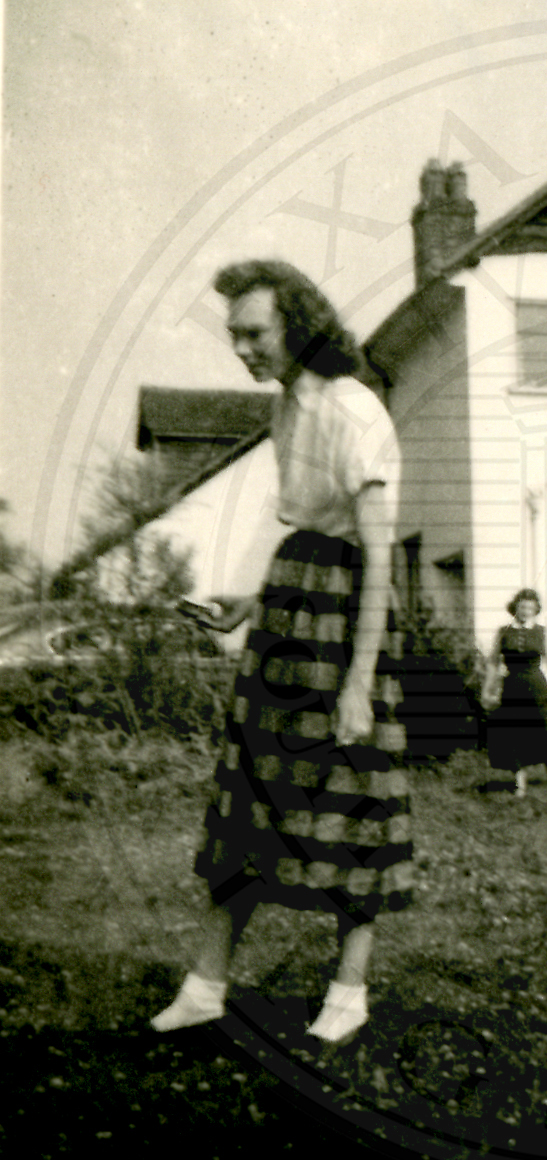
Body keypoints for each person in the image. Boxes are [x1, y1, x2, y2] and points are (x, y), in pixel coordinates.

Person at [151, 260, 411, 1043]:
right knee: (248, 800)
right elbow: (302, 524)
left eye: (254, 332)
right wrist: (248, 599)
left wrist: (358, 682)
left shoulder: (354, 408)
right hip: (289, 606)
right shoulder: (288, 408)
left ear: (296, 322)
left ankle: (349, 988)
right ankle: (206, 984)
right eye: (233, 335)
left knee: (351, 797)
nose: (242, 349)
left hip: (345, 617)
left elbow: (377, 557)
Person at [483, 589, 547, 796]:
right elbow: (493, 663)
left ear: (536, 610)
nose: (526, 611)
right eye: (522, 607)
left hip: (537, 686)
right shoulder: (503, 632)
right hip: (513, 687)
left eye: (531, 608)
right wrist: (487, 688)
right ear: (515, 608)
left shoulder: (541, 631)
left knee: (543, 728)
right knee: (515, 733)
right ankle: (519, 780)